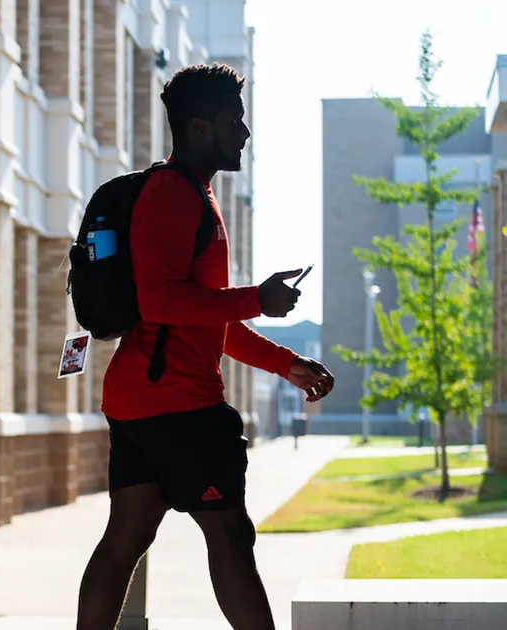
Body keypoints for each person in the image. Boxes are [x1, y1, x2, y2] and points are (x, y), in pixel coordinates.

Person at [75, 63, 335, 630]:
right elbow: (162, 302)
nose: (243, 133)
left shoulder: (198, 196)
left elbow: (209, 319)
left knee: (128, 535)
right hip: (177, 402)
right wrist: (256, 298)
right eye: (232, 120)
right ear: (198, 127)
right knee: (230, 535)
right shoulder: (173, 196)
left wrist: (287, 363)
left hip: (144, 397)